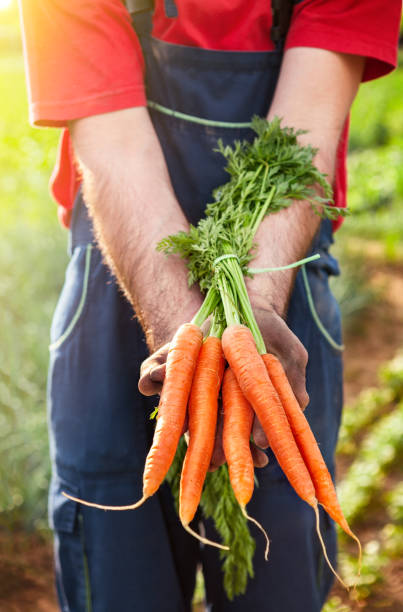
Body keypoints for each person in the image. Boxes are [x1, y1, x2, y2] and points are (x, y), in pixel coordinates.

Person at [19, 1, 400, 610]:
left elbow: (304, 134)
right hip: (115, 280)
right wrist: (192, 342)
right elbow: (113, 144)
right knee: (114, 559)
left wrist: (248, 320)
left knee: (276, 568)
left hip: (282, 290)